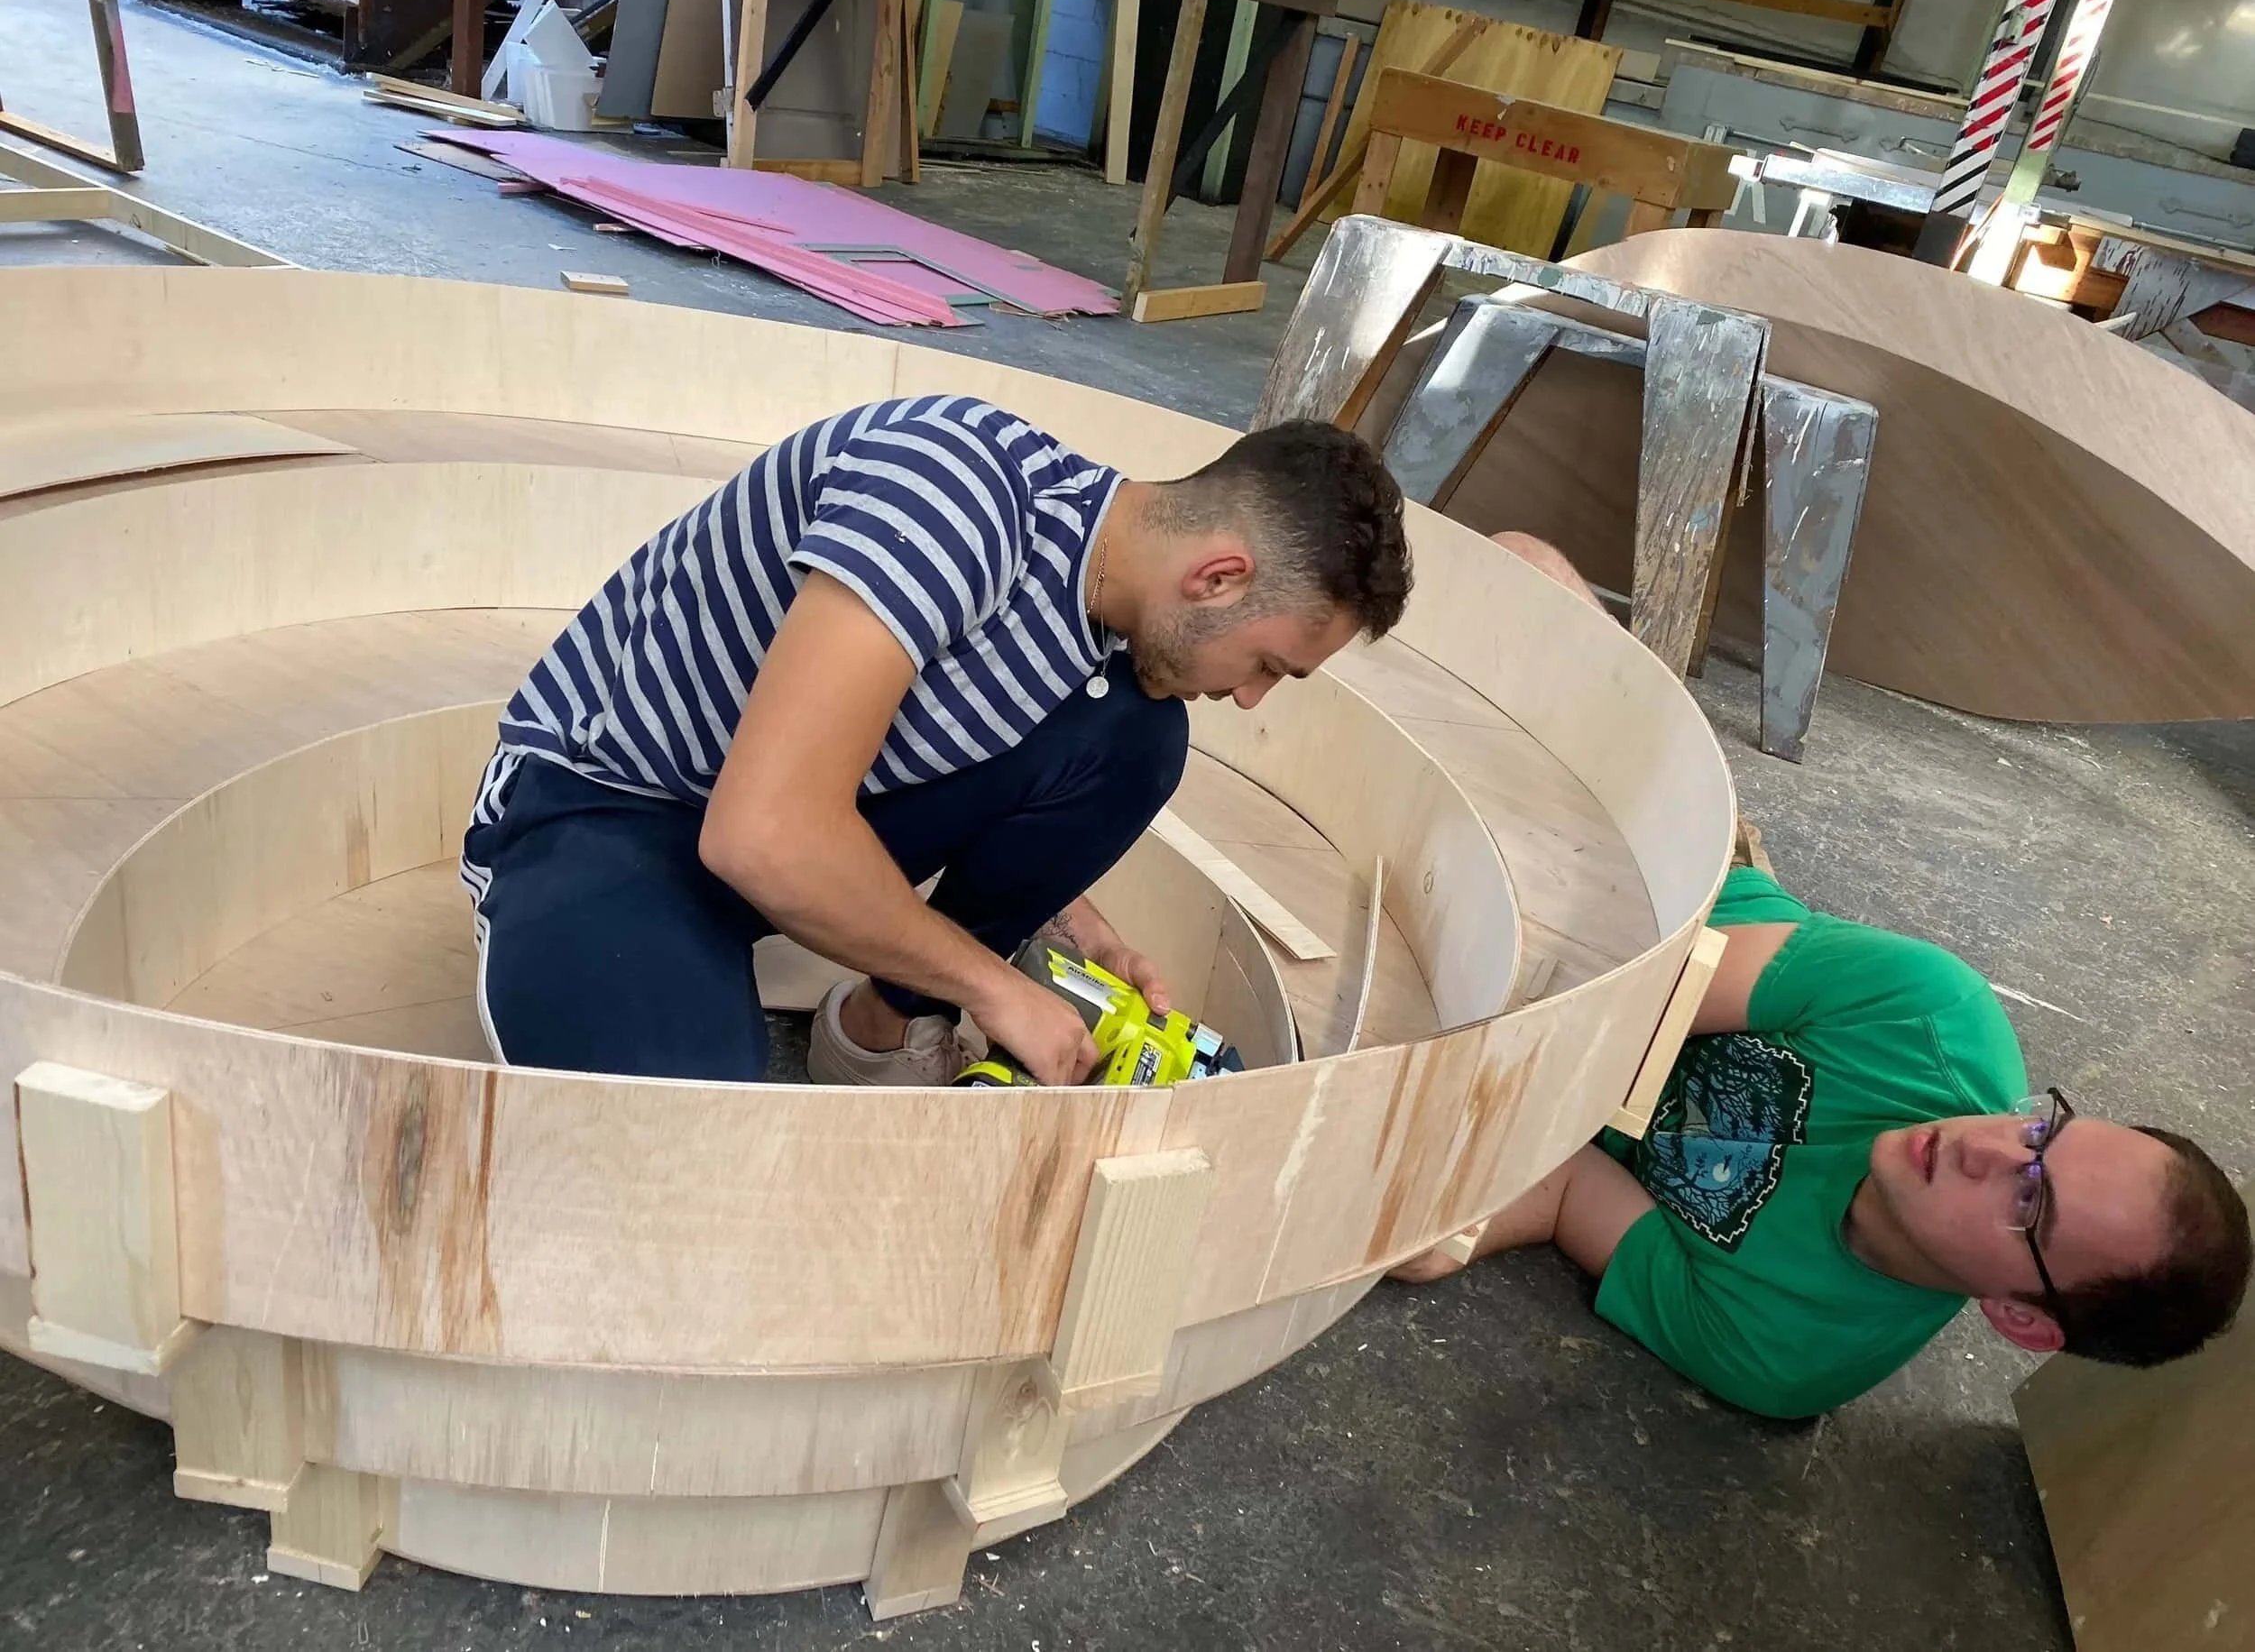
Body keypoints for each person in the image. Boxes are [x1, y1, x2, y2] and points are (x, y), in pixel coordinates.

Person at [1390, 533, 2253, 1419]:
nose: (1988, 1146)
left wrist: (1453, 1219)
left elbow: (1569, 1189)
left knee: (1399, 1227)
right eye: (2043, 1132)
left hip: (1556, 1091)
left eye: (2028, 1202)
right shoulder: (1933, 1020)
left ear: (2019, 1318)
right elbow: (1631, 988)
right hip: (1643, 902)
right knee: (1519, 576)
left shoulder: (1784, 1349)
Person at [461, 394, 1410, 1088]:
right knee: (686, 1135)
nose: (1248, 696)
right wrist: (995, 990)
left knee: (1135, 735)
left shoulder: (1099, 602)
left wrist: (1064, 919)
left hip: (771, 809)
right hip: (610, 809)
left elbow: (933, 726)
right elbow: (761, 835)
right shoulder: (953, 494)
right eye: (1268, 665)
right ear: (1218, 579)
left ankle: (877, 1030)